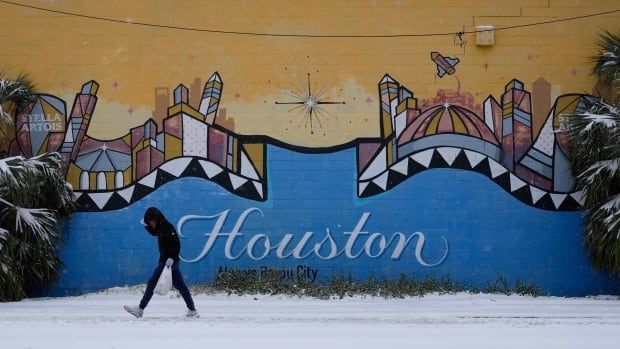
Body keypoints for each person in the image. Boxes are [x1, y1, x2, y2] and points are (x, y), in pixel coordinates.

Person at [124, 207, 199, 318]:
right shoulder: (161, 228)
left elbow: (176, 243)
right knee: (181, 286)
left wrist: (172, 258)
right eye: (149, 223)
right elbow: (154, 232)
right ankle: (192, 310)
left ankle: (140, 309)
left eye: (151, 222)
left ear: (156, 219)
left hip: (168, 262)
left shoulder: (168, 227)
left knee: (152, 282)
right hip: (169, 262)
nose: (151, 224)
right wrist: (146, 226)